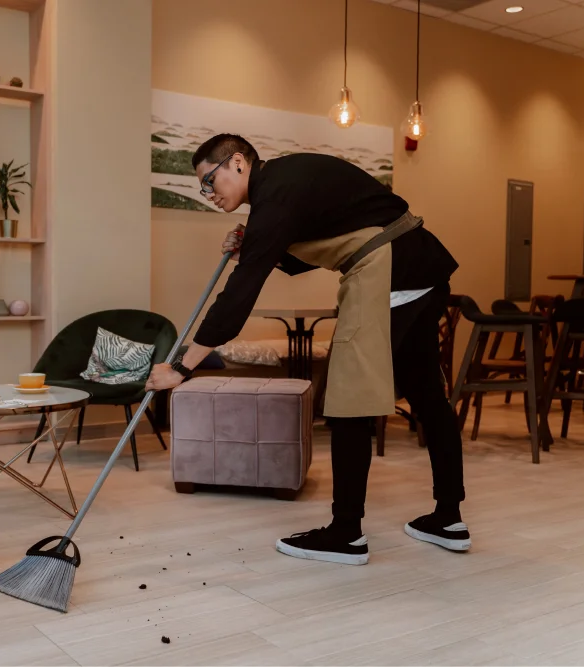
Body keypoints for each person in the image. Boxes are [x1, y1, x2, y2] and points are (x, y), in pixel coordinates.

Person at [145, 133, 468, 566]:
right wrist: (254, 245)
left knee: (347, 399)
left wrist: (182, 368)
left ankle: (346, 533)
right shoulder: (282, 184)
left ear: (237, 163)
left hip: (389, 270)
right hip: (419, 265)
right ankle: (448, 518)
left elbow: (240, 294)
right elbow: (305, 252)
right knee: (426, 392)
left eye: (209, 181)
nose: (208, 194)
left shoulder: (274, 195)